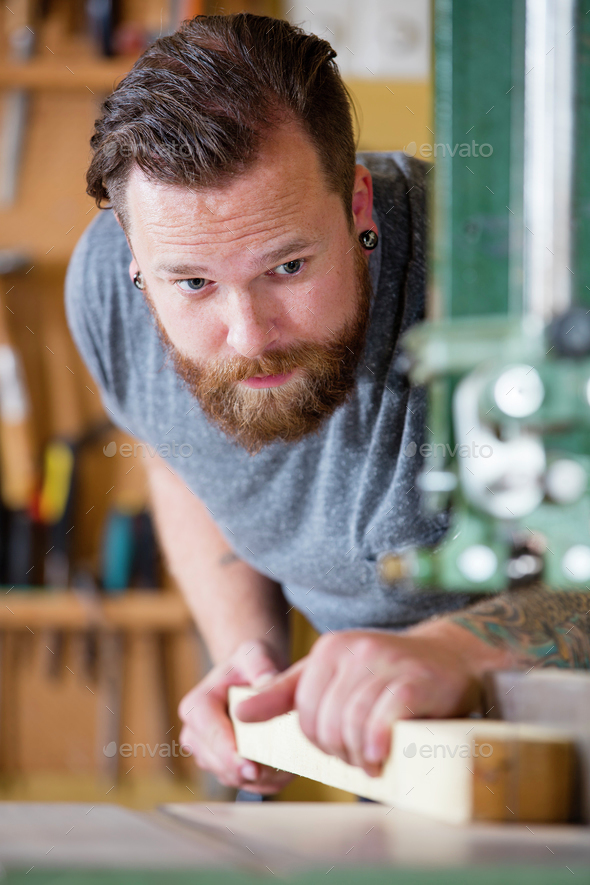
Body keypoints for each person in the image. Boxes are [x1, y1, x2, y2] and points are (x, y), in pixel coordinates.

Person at [66, 13, 590, 796]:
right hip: (410, 773)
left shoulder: (510, 286)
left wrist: (462, 650)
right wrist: (249, 654)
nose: (248, 337)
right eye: (193, 283)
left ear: (358, 208)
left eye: (287, 265)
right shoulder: (107, 291)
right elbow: (175, 458)